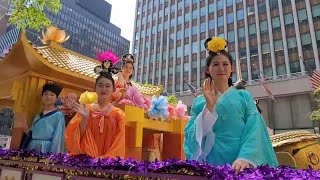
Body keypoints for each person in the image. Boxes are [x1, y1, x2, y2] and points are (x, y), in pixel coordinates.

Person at [183, 37, 278, 173]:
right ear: (207, 69)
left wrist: (246, 157)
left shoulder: (244, 97)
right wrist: (208, 108)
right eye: (215, 64)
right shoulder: (199, 102)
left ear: (231, 68)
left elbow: (255, 129)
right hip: (210, 164)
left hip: (240, 164)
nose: (221, 68)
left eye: (225, 64)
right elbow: (191, 139)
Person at [65, 58, 125, 158]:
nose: (104, 89)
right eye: (100, 85)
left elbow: (119, 143)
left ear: (113, 89)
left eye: (107, 86)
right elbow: (76, 139)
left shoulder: (118, 114)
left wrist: (106, 159)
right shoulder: (85, 109)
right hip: (87, 160)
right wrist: (84, 119)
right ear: (95, 88)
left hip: (108, 164)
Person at [20, 82, 65, 154]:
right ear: (42, 97)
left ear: (56, 99)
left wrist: (53, 157)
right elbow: (31, 135)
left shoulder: (58, 115)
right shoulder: (38, 116)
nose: (48, 97)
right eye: (45, 94)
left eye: (52, 95)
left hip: (46, 148)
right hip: (32, 147)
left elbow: (57, 138)